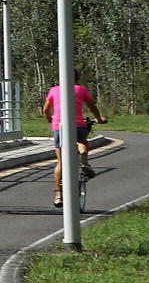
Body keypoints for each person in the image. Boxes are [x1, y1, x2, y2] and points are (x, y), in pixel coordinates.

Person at [44, 77, 106, 206]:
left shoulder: (54, 90)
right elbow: (92, 106)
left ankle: (58, 196)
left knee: (60, 162)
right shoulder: (81, 89)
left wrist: (50, 119)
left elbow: (46, 110)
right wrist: (99, 119)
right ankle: (84, 162)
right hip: (78, 125)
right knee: (82, 141)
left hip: (59, 126)